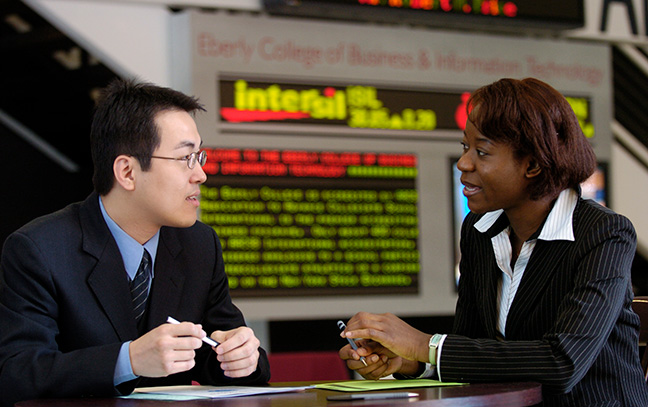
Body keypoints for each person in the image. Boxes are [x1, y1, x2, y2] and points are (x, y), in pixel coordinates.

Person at [338, 78, 648, 406]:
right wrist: (410, 361)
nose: (464, 163)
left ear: (533, 164)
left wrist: (424, 344)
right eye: (465, 147)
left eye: (482, 152)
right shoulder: (478, 231)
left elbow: (563, 362)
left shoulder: (604, 233)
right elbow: (476, 351)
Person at [0, 79, 270, 407]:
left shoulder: (199, 244)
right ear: (127, 172)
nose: (200, 174)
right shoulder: (39, 249)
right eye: (186, 158)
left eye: (200, 156)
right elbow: (17, 374)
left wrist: (242, 357)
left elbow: (218, 355)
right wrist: (128, 360)